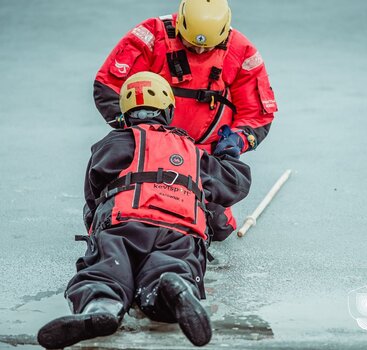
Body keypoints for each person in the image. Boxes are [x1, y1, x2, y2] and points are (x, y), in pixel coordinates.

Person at [37, 72, 251, 349]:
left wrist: (97, 229)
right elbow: (234, 184)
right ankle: (171, 285)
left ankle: (102, 304)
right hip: (179, 231)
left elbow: (94, 195)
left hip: (124, 226)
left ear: (125, 114)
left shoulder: (112, 143)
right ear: (169, 110)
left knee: (105, 272)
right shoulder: (192, 151)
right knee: (173, 266)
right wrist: (228, 155)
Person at [93, 0, 277, 241]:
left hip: (202, 155)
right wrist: (134, 131)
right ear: (180, 24)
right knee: (136, 216)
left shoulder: (241, 52)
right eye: (192, 45)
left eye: (207, 48)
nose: (199, 52)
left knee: (218, 228)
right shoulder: (150, 36)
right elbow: (108, 86)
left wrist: (237, 140)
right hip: (148, 149)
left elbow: (257, 113)